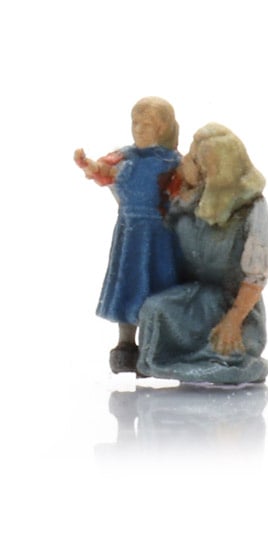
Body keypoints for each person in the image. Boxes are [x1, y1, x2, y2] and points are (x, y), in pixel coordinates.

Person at [136, 123, 268, 384]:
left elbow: (257, 275)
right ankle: (158, 360)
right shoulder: (187, 200)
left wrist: (234, 318)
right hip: (196, 295)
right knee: (155, 309)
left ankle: (219, 364)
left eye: (192, 158)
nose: (184, 161)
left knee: (225, 349)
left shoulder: (250, 208)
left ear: (209, 171)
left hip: (232, 305)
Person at [74, 97, 181, 373]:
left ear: (163, 128)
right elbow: (103, 172)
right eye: (136, 123)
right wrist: (88, 165)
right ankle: (125, 346)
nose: (140, 130)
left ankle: (154, 347)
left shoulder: (172, 161)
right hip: (131, 234)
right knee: (129, 285)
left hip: (162, 236)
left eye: (148, 125)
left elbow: (186, 191)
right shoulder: (124, 157)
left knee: (159, 287)